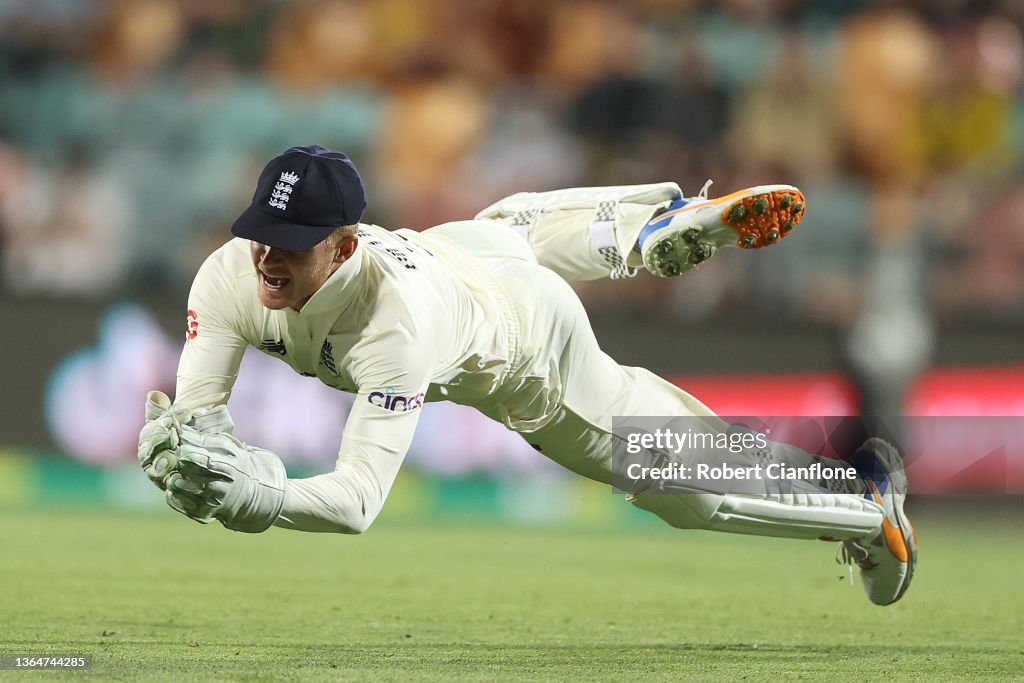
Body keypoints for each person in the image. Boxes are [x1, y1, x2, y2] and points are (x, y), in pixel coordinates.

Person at [137, 145, 916, 606]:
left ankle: (861, 505)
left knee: (686, 485)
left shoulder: (392, 329)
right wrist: (176, 444)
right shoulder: (229, 274)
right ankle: (652, 229)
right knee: (505, 229)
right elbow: (197, 416)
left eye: (291, 242)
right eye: (259, 235)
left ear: (343, 247)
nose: (266, 256)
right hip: (468, 248)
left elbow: (357, 502)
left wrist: (265, 497)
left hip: (529, 345)